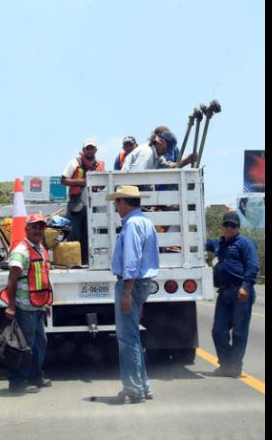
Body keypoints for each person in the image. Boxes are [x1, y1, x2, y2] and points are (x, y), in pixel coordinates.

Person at [105, 185, 159, 404]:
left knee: (127, 339)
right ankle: (142, 386)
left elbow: (131, 261)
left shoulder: (132, 225)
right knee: (133, 337)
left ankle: (134, 389)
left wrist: (127, 291)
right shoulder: (145, 221)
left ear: (124, 202)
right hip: (141, 283)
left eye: (117, 202)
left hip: (132, 284)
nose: (116, 207)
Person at [206, 211, 259, 378]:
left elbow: (253, 266)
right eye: (226, 225)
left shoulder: (245, 243)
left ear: (238, 228)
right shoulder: (219, 243)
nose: (229, 228)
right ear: (221, 227)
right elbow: (203, 242)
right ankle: (228, 363)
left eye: (233, 226)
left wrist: (246, 286)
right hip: (224, 292)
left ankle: (233, 366)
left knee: (239, 332)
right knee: (218, 330)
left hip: (240, 292)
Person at [4, 212, 54, 392]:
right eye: (34, 226)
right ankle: (17, 382)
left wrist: (46, 304)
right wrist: (11, 306)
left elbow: (42, 278)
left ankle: (36, 376)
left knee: (40, 342)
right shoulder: (21, 251)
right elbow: (12, 280)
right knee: (25, 345)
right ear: (26, 228)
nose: (38, 230)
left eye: (41, 227)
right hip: (25, 307)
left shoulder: (40, 249)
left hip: (38, 306)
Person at [61, 138, 105, 265]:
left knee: (89, 236)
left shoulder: (99, 165)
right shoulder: (74, 163)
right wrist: (83, 182)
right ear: (83, 150)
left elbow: (103, 184)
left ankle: (86, 263)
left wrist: (97, 185)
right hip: (76, 205)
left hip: (93, 206)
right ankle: (72, 263)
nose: (90, 151)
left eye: (92, 148)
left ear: (95, 150)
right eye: (88, 148)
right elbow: (63, 180)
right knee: (73, 234)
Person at [122, 130, 196, 171]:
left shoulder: (156, 155)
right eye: (167, 148)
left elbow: (168, 167)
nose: (166, 151)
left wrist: (186, 161)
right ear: (159, 143)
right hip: (128, 192)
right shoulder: (146, 154)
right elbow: (136, 176)